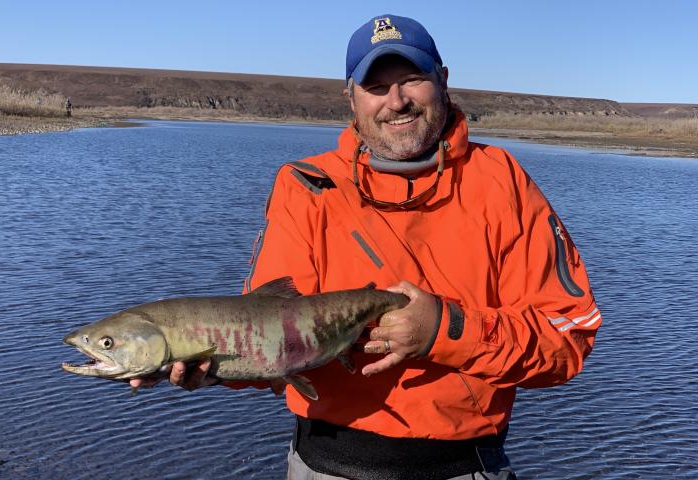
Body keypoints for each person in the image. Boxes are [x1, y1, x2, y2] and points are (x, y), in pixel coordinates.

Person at [132, 13, 601, 480]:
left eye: (412, 79)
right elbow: (273, 342)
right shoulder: (307, 186)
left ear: (443, 80)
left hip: (464, 468)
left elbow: (567, 337)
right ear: (350, 99)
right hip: (324, 466)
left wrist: (446, 329)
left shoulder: (503, 182)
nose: (396, 101)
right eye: (376, 86)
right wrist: (198, 361)